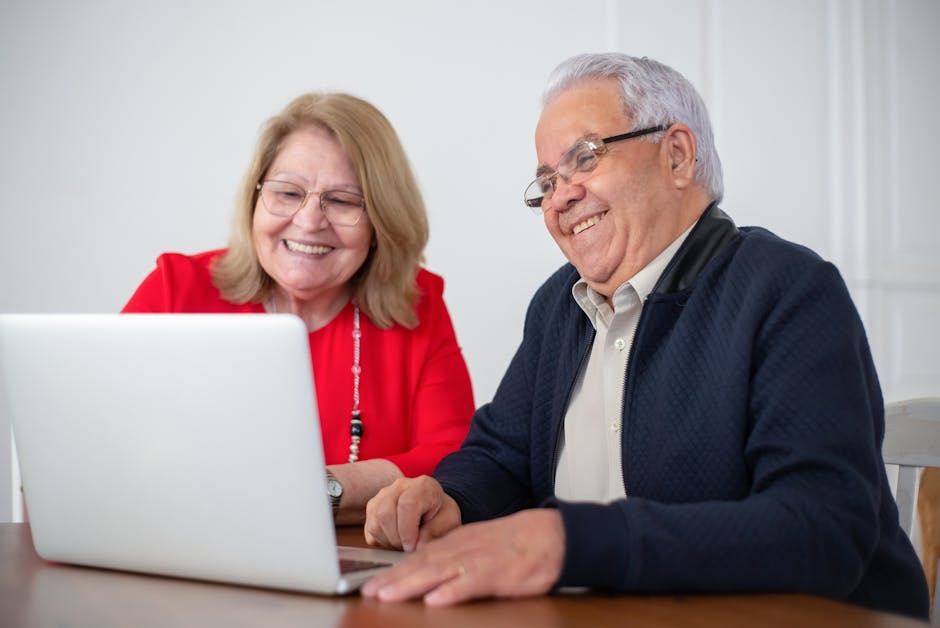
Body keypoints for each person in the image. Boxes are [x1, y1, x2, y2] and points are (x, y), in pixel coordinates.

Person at [360, 53, 930, 619]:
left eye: (583, 159)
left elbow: (821, 530)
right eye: (546, 182)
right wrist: (448, 496)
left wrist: (568, 542)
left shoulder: (789, 290)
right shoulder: (560, 304)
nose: (560, 197)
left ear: (677, 155)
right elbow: (501, 455)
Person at [122, 92, 475, 524]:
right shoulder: (175, 290)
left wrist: (325, 486)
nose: (309, 221)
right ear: (255, 199)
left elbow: (456, 463)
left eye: (343, 201)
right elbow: (100, 435)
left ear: (381, 220)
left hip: (354, 571)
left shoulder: (418, 306)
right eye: (288, 193)